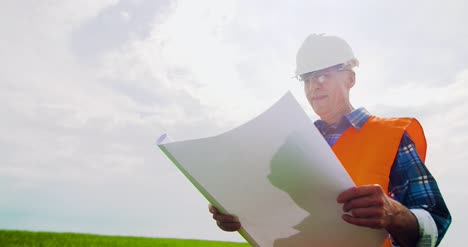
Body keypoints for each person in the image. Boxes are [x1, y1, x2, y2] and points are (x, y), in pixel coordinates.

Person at [208, 34, 451, 247]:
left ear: (350, 79)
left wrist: (394, 214)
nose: (314, 86)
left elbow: (435, 223)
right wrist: (238, 214)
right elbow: (273, 208)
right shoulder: (291, 145)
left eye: (323, 75)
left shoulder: (391, 135)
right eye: (307, 78)